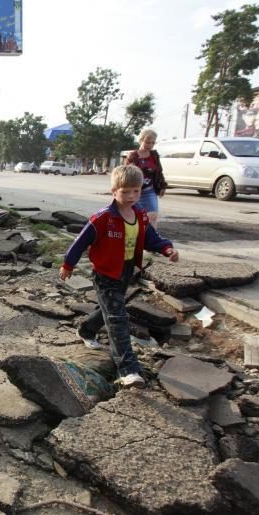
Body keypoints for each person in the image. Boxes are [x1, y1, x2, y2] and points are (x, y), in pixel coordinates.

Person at [59, 165, 179, 388]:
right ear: (114, 191)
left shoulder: (140, 215)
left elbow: (152, 237)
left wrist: (167, 249)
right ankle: (128, 370)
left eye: (136, 191)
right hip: (105, 273)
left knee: (110, 309)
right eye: (125, 192)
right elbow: (80, 242)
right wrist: (68, 264)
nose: (131, 196)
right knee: (117, 319)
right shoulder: (104, 218)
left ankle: (86, 329)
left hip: (125, 271)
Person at [126, 128, 166, 228]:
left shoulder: (154, 155)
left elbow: (159, 172)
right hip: (134, 192)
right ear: (141, 140)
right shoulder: (133, 156)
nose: (150, 145)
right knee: (134, 218)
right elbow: (126, 174)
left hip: (149, 191)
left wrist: (162, 186)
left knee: (153, 216)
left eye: (153, 143)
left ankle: (152, 240)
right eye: (148, 142)